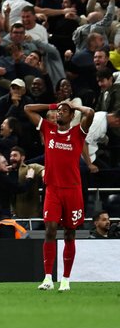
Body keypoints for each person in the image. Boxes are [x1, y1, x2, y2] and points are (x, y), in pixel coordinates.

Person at [24, 101, 94, 291]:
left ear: (71, 117)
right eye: (58, 111)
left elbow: (91, 112)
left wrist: (74, 106)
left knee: (69, 234)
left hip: (72, 189)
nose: (60, 113)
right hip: (53, 189)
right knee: (50, 230)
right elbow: (27, 108)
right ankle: (47, 278)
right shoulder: (48, 129)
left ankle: (66, 279)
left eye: (65, 111)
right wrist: (53, 104)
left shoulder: (78, 133)